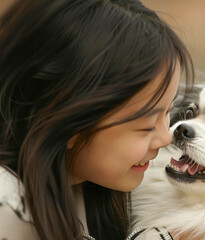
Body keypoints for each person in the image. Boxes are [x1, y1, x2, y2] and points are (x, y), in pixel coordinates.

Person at [0, 0, 193, 239]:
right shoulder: (8, 214)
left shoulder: (85, 182)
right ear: (68, 120)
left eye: (168, 111)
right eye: (146, 127)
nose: (166, 137)